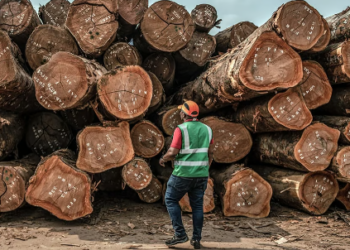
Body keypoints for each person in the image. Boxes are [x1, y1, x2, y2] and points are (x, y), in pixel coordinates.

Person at [159, 100, 213, 249]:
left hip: (182, 174)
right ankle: (196, 239)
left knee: (170, 199)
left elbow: (173, 152)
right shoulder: (208, 129)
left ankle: (180, 233)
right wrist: (205, 169)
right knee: (197, 207)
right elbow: (210, 153)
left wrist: (163, 159)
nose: (180, 113)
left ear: (184, 113)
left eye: (181, 111)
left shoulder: (181, 129)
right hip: (201, 175)